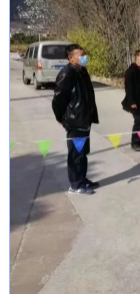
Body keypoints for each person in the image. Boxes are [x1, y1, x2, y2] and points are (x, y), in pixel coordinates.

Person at [52, 44, 99, 195]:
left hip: (84, 119)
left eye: (84, 54)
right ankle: (75, 185)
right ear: (71, 58)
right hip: (75, 121)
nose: (84, 57)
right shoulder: (67, 73)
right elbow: (58, 100)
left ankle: (82, 179)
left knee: (83, 153)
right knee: (75, 155)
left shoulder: (82, 71)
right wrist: (62, 118)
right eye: (81, 55)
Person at [122, 50, 140, 151]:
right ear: (137, 58)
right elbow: (128, 88)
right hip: (135, 102)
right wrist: (131, 102)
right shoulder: (131, 71)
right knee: (138, 121)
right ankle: (135, 142)